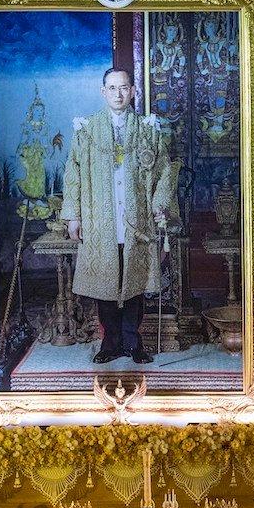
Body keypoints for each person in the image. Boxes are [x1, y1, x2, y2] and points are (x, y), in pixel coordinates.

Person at [61, 67, 179, 365]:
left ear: (133, 91)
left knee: (134, 280)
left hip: (136, 219)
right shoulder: (87, 130)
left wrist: (159, 205)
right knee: (106, 281)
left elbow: (164, 170)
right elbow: (72, 174)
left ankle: (133, 341)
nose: (118, 93)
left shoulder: (148, 129)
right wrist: (73, 215)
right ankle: (110, 341)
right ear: (103, 92)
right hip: (100, 218)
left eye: (124, 87)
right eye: (112, 88)